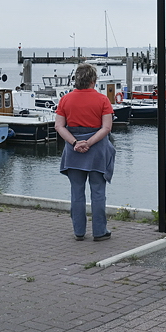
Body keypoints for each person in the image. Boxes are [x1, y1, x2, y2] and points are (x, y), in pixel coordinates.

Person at [55, 63, 116, 241]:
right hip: (97, 151)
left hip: (74, 151)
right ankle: (99, 231)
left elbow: (59, 126)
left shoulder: (65, 100)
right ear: (93, 80)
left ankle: (79, 231)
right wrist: (88, 143)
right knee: (98, 192)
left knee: (76, 192)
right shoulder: (103, 100)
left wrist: (75, 142)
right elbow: (106, 128)